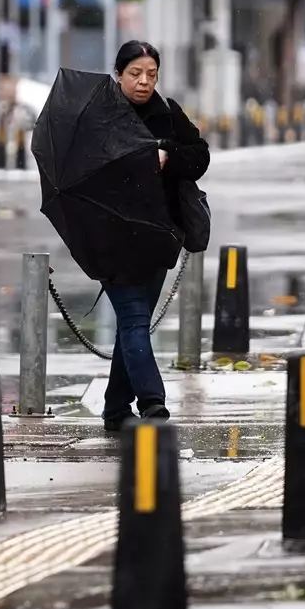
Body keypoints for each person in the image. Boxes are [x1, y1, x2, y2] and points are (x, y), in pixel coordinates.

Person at [102, 40, 210, 432]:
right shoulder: (101, 117)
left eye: (151, 74)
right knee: (132, 318)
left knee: (136, 322)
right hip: (112, 239)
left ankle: (115, 408)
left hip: (159, 236)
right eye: (135, 74)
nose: (144, 82)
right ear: (118, 75)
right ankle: (152, 402)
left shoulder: (167, 114)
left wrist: (169, 156)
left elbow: (200, 155)